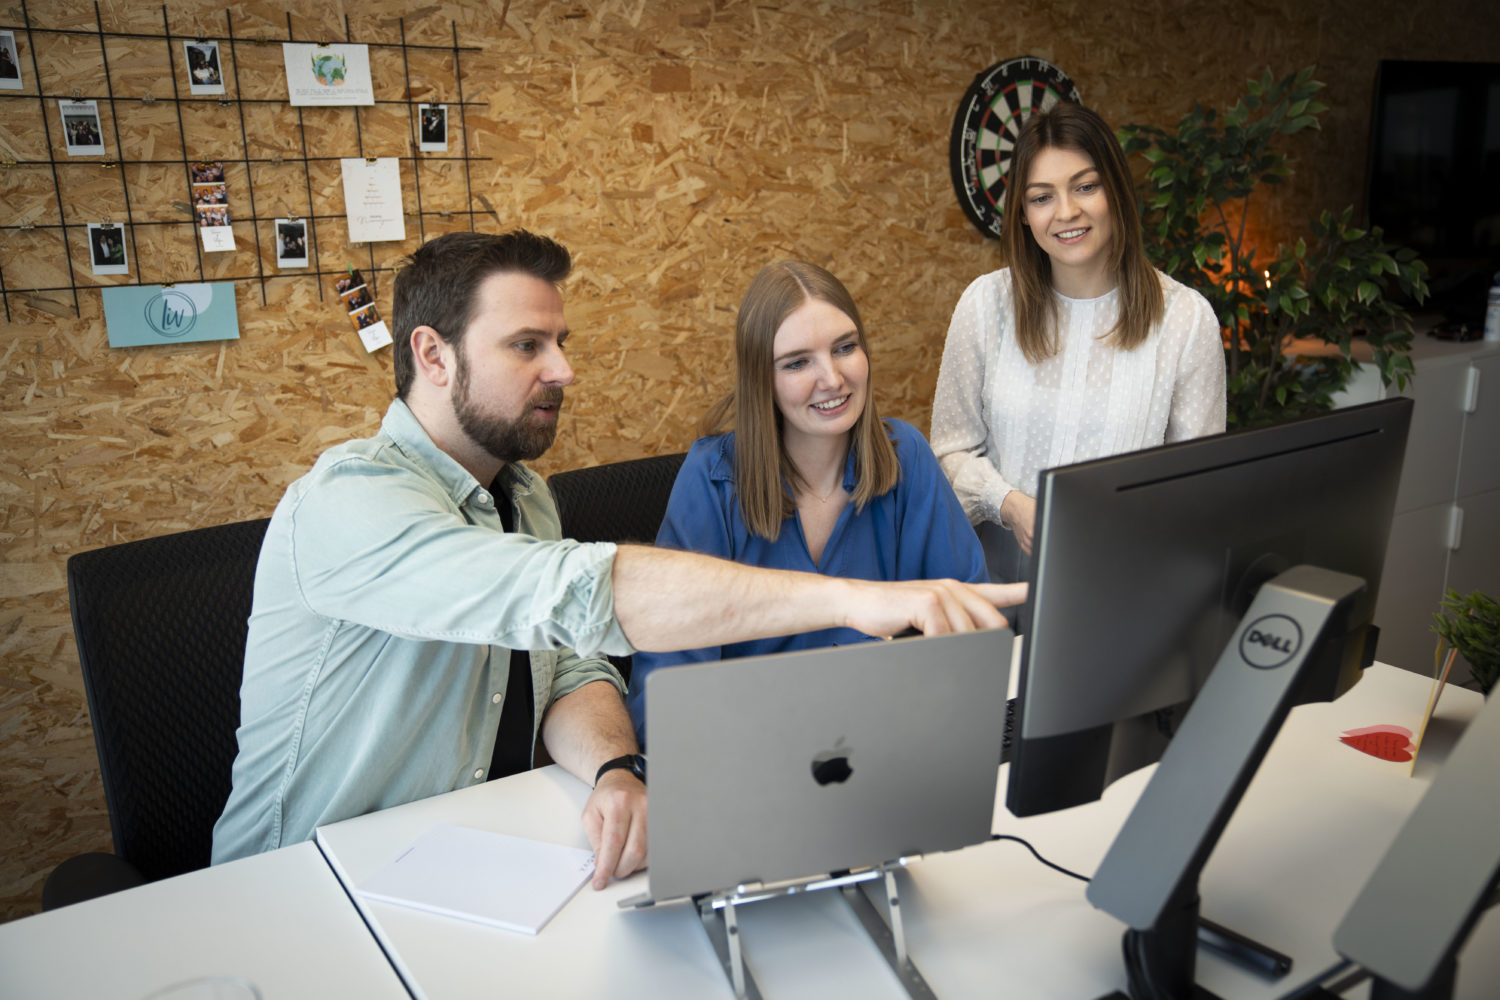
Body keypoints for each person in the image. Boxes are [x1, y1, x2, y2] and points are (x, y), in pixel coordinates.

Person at [212, 230, 1021, 889]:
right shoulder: (347, 502)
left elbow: (572, 672)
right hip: (296, 887)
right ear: (433, 356)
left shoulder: (524, 499)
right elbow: (572, 593)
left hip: (463, 860)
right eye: (528, 344)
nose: (563, 370)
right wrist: (850, 601)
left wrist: (616, 770)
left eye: (560, 342)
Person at [627, 261, 993, 747]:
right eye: (798, 362)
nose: (833, 378)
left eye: (845, 348)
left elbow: (971, 625)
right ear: (763, 379)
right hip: (750, 752)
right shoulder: (712, 478)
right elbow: (665, 690)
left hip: (888, 741)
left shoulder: (906, 456)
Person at [930, 102, 1226, 627]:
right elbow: (948, 453)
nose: (1066, 212)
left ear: (1116, 190)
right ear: (1023, 214)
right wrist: (1009, 503)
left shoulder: (1186, 320)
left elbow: (1198, 494)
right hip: (990, 604)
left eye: (1085, 186)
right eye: (1042, 197)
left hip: (1119, 606)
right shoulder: (985, 305)